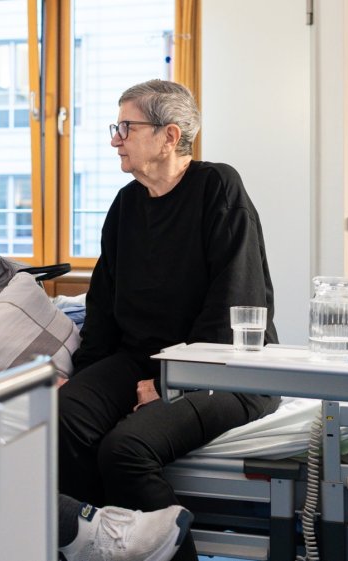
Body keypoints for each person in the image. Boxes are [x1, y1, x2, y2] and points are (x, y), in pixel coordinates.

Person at [57, 79, 280, 561]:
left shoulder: (218, 187)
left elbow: (237, 302)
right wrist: (80, 376)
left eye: (125, 127)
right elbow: (104, 305)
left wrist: (173, 382)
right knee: (62, 420)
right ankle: (97, 547)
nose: (115, 138)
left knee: (125, 449)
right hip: (139, 359)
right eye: (115, 127)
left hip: (229, 369)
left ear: (169, 135)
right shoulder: (125, 206)